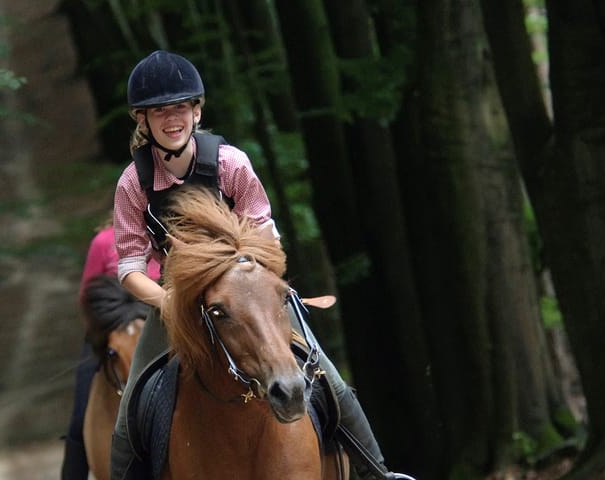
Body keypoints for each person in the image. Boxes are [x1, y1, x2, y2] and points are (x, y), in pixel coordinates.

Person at [110, 50, 408, 480]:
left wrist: (245, 277)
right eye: (159, 111)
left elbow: (267, 238)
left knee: (331, 383)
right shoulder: (132, 183)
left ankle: (378, 473)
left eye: (180, 107)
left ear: (197, 111)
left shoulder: (231, 164)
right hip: (175, 301)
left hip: (248, 290)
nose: (171, 119)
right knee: (129, 411)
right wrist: (170, 298)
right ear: (142, 120)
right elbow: (130, 266)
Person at [61, 214, 160, 480]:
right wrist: (104, 331)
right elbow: (87, 297)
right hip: (109, 334)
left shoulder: (166, 238)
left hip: (160, 331)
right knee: (81, 415)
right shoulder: (103, 242)